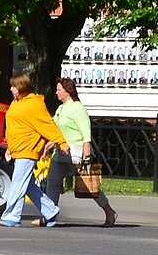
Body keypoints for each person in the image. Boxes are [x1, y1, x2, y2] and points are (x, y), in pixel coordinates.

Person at [46, 77, 117, 227]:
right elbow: (55, 129)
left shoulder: (77, 108)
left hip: (76, 154)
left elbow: (85, 128)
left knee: (89, 186)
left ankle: (109, 212)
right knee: (52, 183)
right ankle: (49, 217)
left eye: (59, 89)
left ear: (68, 91)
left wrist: (87, 148)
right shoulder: (60, 108)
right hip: (60, 154)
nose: (56, 92)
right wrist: (49, 144)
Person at [0, 73, 65, 227]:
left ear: (21, 87)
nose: (11, 89)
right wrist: (10, 146)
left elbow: (47, 124)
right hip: (18, 149)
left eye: (14, 86)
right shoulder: (17, 102)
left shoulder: (34, 103)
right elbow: (14, 127)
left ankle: (12, 216)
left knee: (17, 183)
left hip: (28, 150)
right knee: (27, 185)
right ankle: (51, 211)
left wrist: (62, 142)